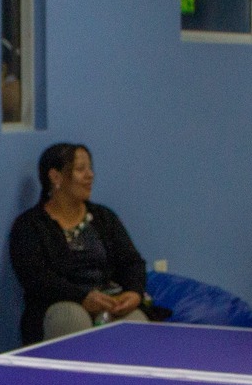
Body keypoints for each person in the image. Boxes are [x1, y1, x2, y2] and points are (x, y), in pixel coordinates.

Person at [10, 142, 154, 343]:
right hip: (59, 305)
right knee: (73, 318)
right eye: (80, 169)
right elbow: (36, 278)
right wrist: (82, 297)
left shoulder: (104, 217)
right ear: (56, 177)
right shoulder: (29, 225)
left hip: (107, 300)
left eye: (90, 168)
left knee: (135, 321)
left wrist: (134, 293)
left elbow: (132, 262)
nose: (90, 175)